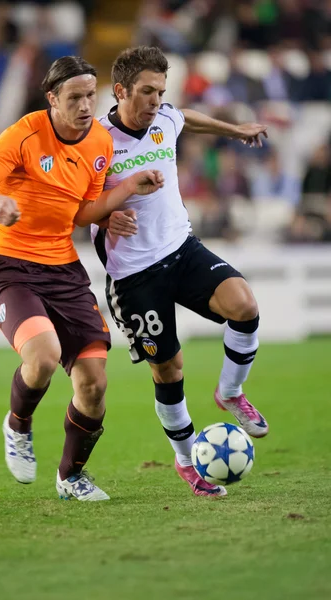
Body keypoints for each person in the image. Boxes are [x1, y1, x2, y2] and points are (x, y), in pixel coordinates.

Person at [0, 55, 164, 502]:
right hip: (10, 265)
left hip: (63, 269)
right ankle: (19, 424)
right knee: (44, 355)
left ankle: (71, 477)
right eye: (75, 97)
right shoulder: (25, 133)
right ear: (52, 98)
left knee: (94, 383)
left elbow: (81, 213)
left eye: (91, 95)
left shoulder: (101, 144)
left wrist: (120, 199)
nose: (86, 105)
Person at [91, 46, 269, 499]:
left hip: (181, 248)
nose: (155, 101)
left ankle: (230, 393)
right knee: (169, 370)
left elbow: (184, 117)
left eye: (160, 91)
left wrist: (234, 130)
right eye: (147, 92)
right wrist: (104, 217)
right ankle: (188, 461)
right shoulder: (95, 142)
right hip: (133, 275)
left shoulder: (165, 120)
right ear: (120, 91)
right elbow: (73, 205)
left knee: (244, 305)